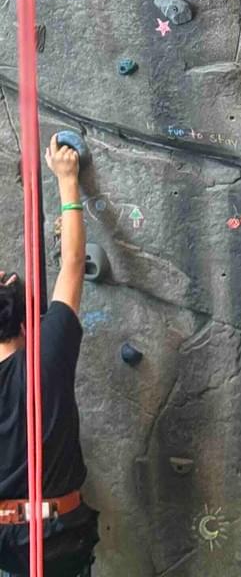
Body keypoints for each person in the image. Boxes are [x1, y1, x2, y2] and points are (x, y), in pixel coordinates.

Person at [0, 138, 98, 577]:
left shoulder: (48, 350)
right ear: (28, 322)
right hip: (60, 538)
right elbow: (74, 264)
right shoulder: (49, 352)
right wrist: (67, 179)